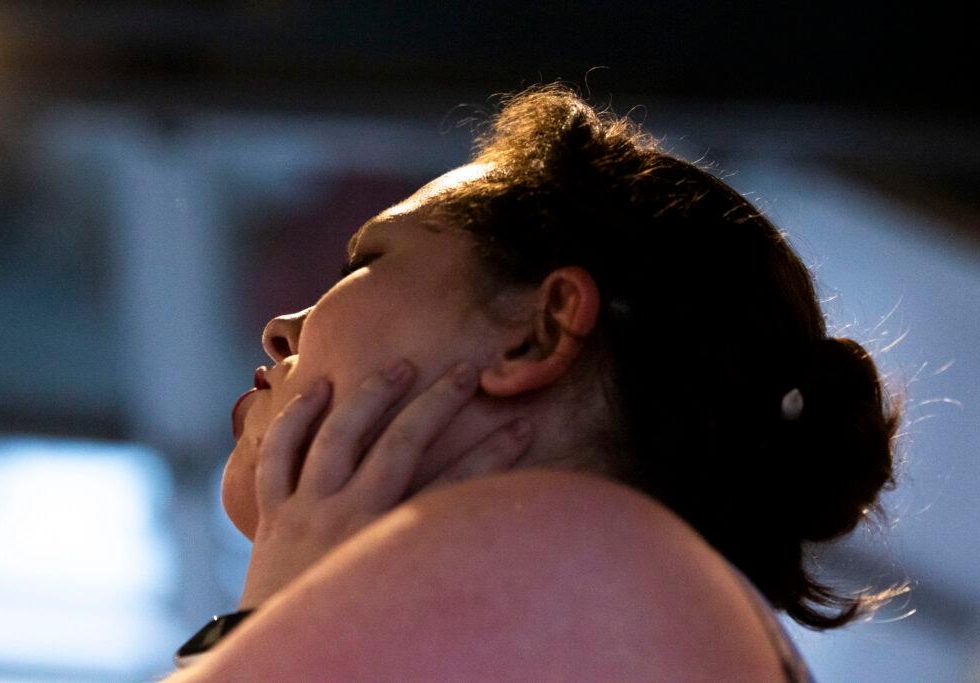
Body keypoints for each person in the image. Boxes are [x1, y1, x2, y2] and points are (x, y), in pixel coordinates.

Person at [168, 85, 903, 681]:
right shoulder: (641, 601)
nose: (280, 327)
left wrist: (276, 620)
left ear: (537, 331)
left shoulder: (581, 557)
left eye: (362, 266)